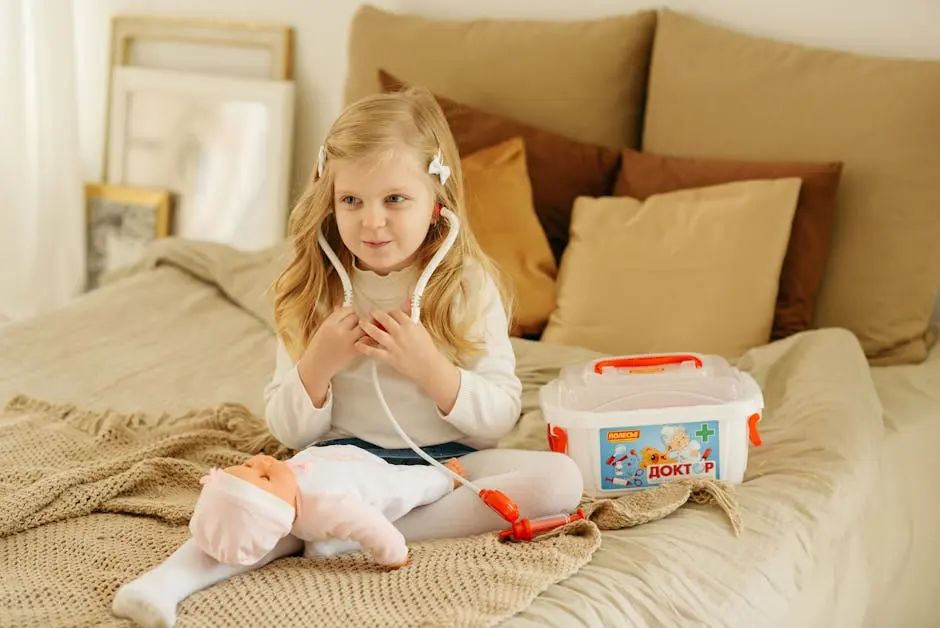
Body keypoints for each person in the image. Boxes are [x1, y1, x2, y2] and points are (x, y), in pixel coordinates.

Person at [112, 86, 583, 628]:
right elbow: (290, 430)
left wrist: (430, 369)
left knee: (559, 482)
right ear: (329, 199)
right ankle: (160, 585)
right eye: (351, 200)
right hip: (342, 463)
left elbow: (498, 419)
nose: (371, 222)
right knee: (259, 503)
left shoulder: (468, 287)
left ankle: (337, 532)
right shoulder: (311, 289)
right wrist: (319, 362)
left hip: (447, 468)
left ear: (437, 202)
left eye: (395, 200)